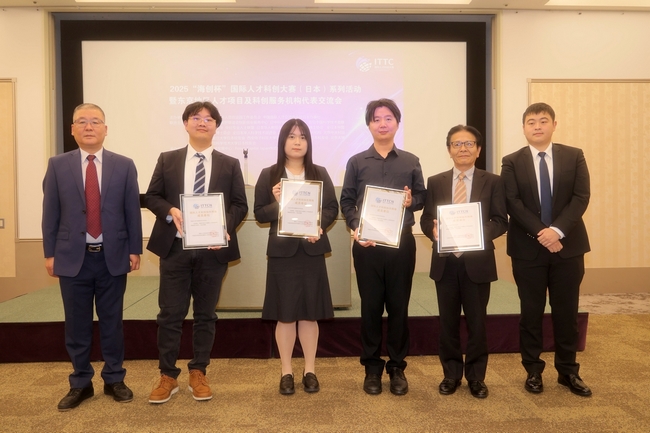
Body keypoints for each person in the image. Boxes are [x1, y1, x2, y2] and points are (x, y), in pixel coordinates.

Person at [145, 101, 248, 404]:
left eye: (209, 119)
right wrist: (170, 211)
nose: (202, 122)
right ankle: (167, 375)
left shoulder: (230, 164)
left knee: (205, 314)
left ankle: (198, 371)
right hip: (175, 248)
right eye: (196, 118)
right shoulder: (168, 159)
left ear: (216, 126)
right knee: (170, 314)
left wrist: (223, 225)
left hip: (212, 251)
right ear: (185, 124)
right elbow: (152, 196)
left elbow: (239, 204)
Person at [42, 103, 142, 411]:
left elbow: (132, 211)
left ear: (105, 129)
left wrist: (134, 249)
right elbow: (50, 213)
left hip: (112, 255)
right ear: (72, 129)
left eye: (95, 121)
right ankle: (80, 382)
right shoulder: (57, 165)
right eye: (82, 121)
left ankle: (114, 378)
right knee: (77, 324)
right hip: (72, 257)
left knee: (112, 321)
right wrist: (50, 253)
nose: (89, 126)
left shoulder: (124, 165)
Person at [501, 102, 592, 397]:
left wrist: (557, 231)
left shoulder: (574, 155)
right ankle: (533, 371)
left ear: (554, 124)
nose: (537, 126)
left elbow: (581, 196)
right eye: (531, 122)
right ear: (523, 128)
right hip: (528, 249)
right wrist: (543, 233)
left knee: (566, 312)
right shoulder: (511, 161)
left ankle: (568, 371)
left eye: (543, 121)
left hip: (568, 246)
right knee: (531, 313)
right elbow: (512, 202)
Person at [340, 98, 426, 396]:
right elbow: (347, 201)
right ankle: (372, 368)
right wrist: (356, 226)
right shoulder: (356, 162)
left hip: (401, 244)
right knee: (371, 307)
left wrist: (411, 201)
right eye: (376, 119)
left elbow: (422, 196)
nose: (382, 124)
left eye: (388, 118)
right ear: (369, 125)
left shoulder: (411, 161)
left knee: (399, 307)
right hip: (368, 245)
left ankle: (397, 367)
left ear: (397, 123)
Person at [420, 125, 507, 399]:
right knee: (447, 323)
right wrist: (433, 231)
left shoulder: (492, 181)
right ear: (449, 150)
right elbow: (426, 219)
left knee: (477, 323)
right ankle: (451, 374)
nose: (463, 149)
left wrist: (477, 233)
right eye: (457, 144)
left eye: (469, 144)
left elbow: (500, 221)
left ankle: (476, 377)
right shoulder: (436, 181)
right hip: (446, 263)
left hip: (477, 263)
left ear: (478, 150)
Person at [254, 119, 339, 395]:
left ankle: (310, 370)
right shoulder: (269, 174)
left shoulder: (319, 172)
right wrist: (277, 203)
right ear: (283, 141)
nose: (297, 142)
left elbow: (331, 208)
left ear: (308, 142)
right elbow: (259, 214)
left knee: (310, 314)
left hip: (311, 250)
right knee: (285, 314)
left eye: (302, 137)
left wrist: (318, 226)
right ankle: (286, 371)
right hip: (283, 254)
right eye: (291, 136)